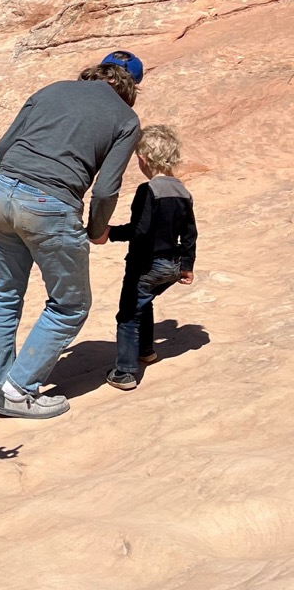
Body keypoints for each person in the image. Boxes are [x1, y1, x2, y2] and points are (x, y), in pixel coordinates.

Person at [0, 54, 143, 419]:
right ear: (130, 87)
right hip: (51, 204)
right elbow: (105, 190)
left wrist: (5, 188)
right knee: (70, 306)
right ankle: (18, 392)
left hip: (3, 191)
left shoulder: (51, 90)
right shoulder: (126, 120)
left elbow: (3, 147)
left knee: (5, 293)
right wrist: (97, 230)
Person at [104, 125, 197, 391]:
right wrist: (186, 266)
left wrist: (109, 233)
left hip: (147, 264)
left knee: (128, 314)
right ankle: (146, 350)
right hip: (172, 265)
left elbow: (140, 230)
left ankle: (124, 372)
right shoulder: (183, 192)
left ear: (144, 158)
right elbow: (190, 233)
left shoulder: (149, 190)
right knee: (145, 302)